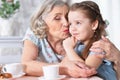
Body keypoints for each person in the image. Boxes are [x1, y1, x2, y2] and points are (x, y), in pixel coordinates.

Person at [21, 0, 96, 78]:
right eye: (57, 18)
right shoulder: (34, 33)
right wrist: (64, 69)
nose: (66, 23)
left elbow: (76, 67)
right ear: (42, 22)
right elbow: (26, 65)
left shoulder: (75, 34)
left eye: (67, 17)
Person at [63, 1, 117, 80]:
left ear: (94, 25)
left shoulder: (100, 46)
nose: (72, 28)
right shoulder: (76, 44)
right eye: (70, 24)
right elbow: (64, 65)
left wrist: (69, 49)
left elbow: (85, 71)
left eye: (78, 23)